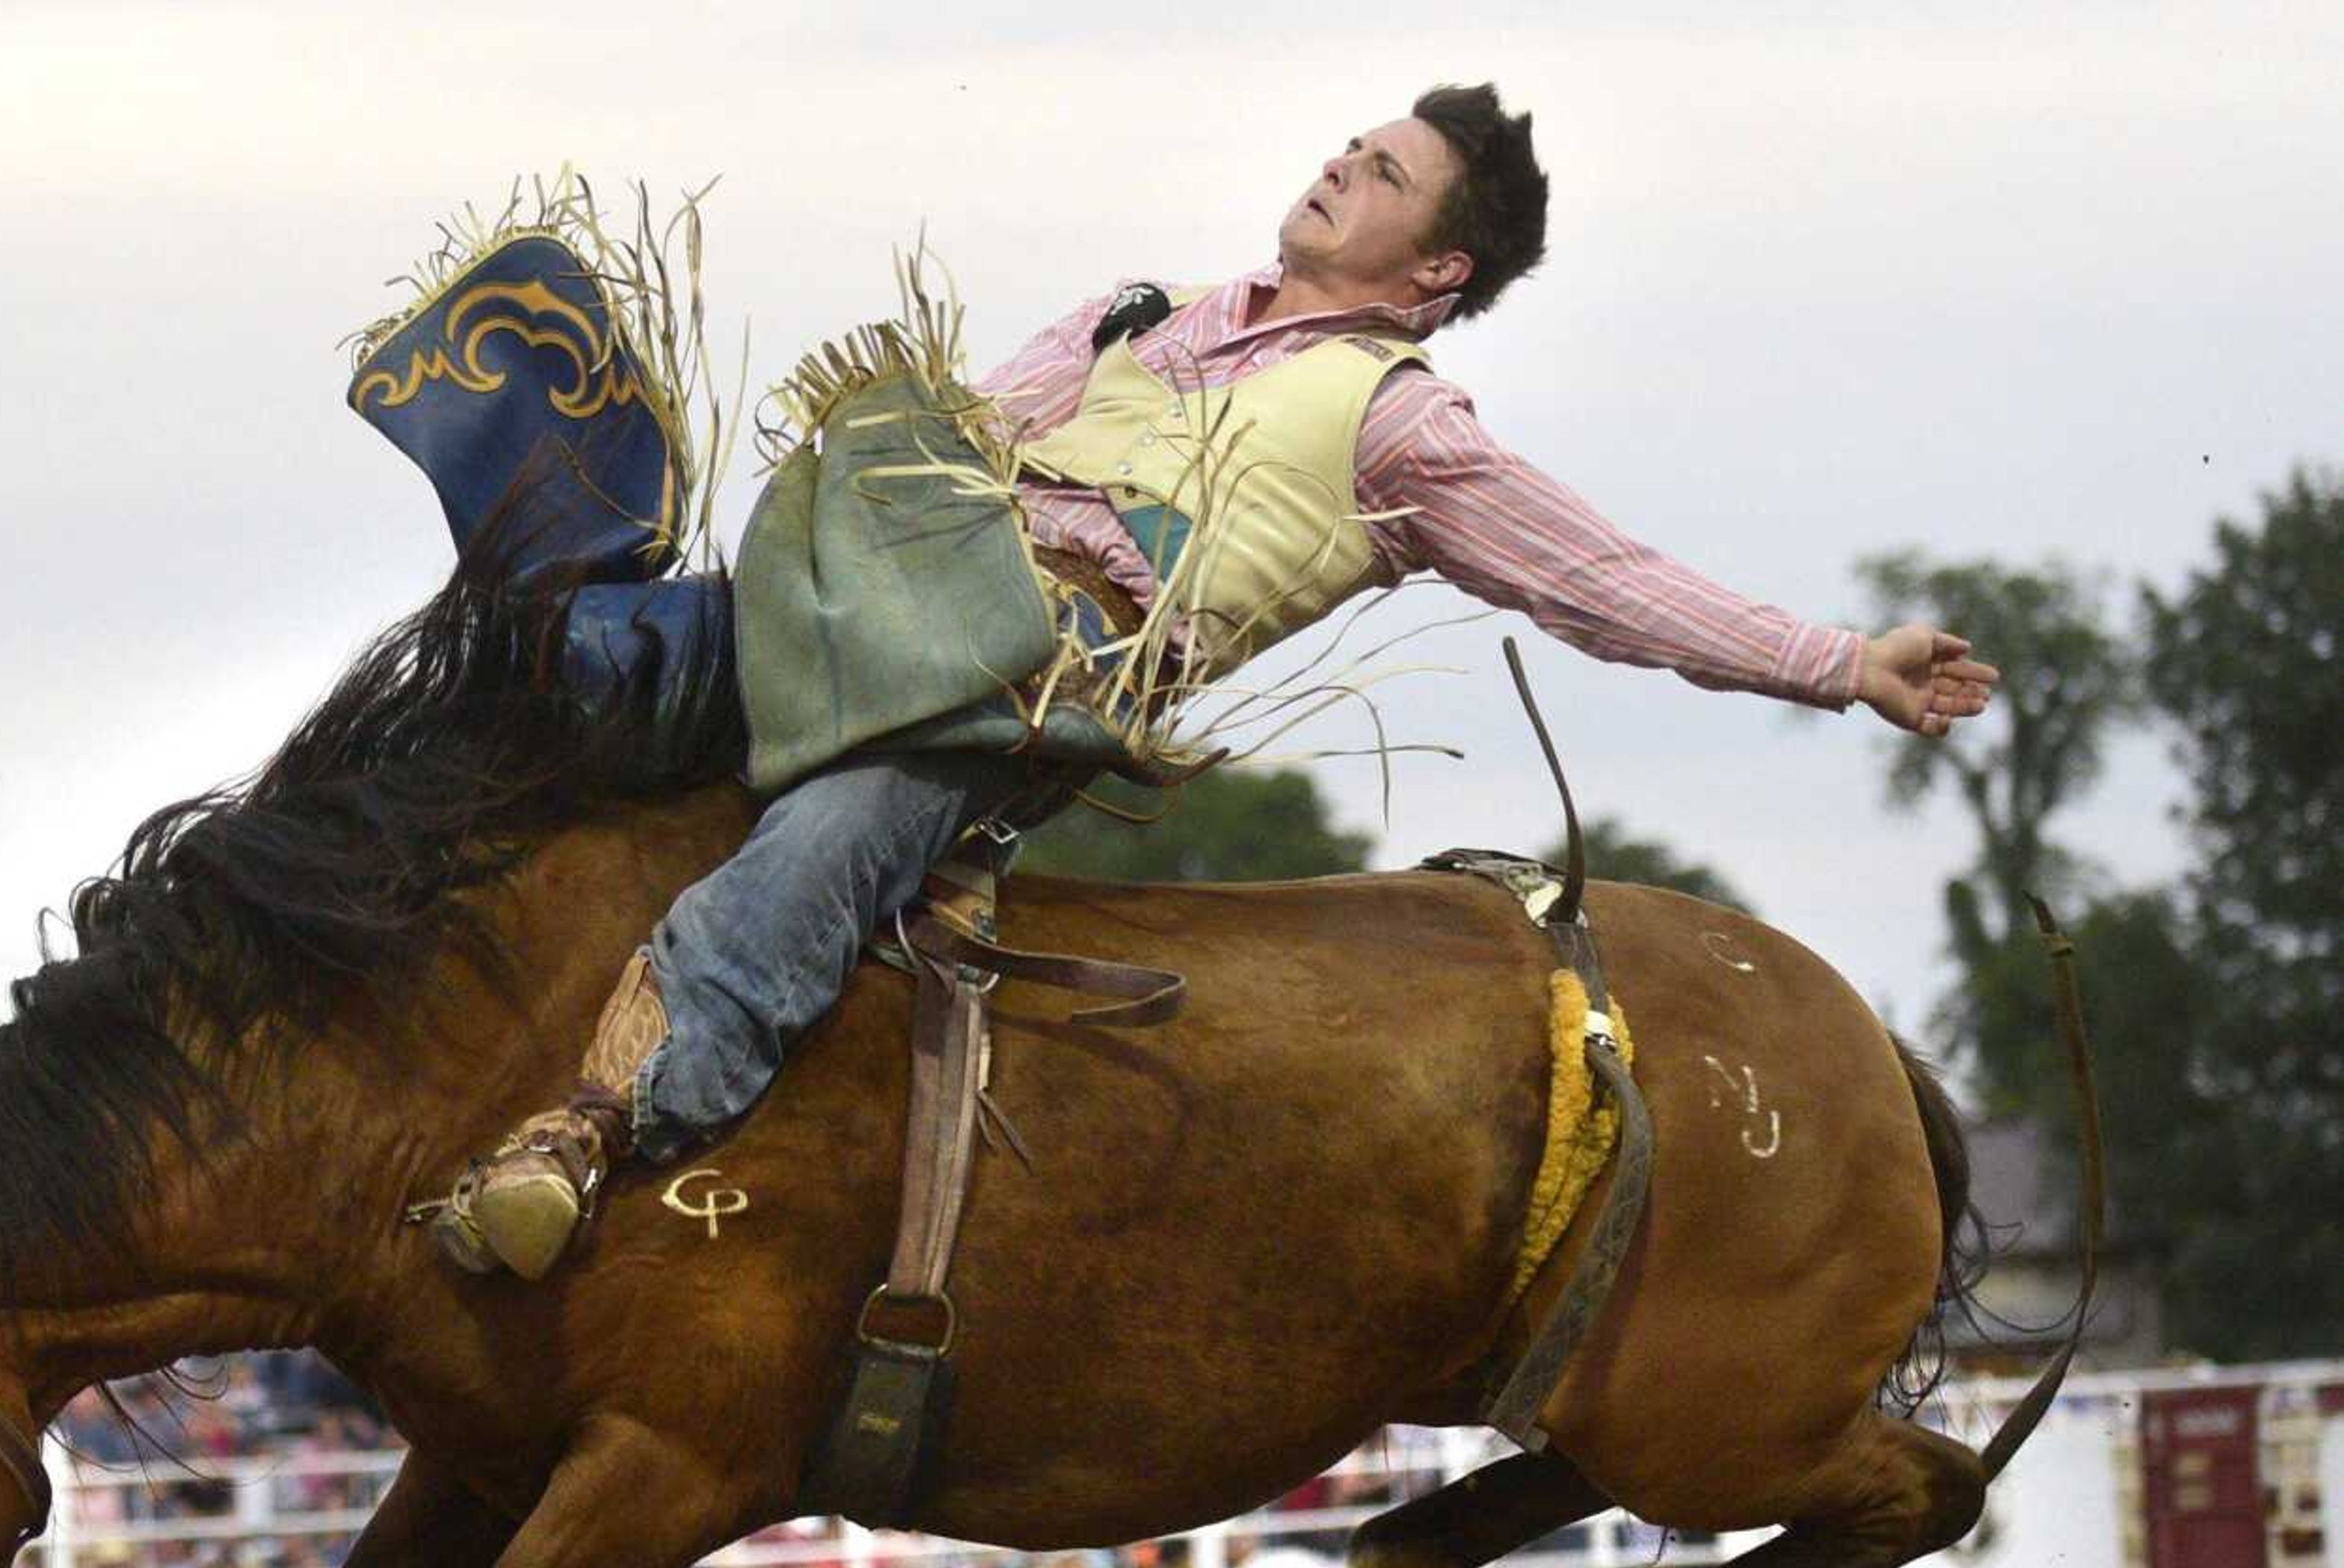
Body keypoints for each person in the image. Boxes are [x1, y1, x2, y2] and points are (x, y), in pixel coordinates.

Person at [357, 88, 1998, 1280]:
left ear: (1435, 271)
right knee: (570, 664)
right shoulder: (1134, 315)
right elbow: (964, 446)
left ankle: (588, 1131)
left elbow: (1610, 585)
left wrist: (1843, 664)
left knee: (837, 838)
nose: (1342, 167)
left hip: (1017, 689)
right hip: (866, 601)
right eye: (1353, 147)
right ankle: (359, 926)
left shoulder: (1402, 426)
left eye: (1387, 174)